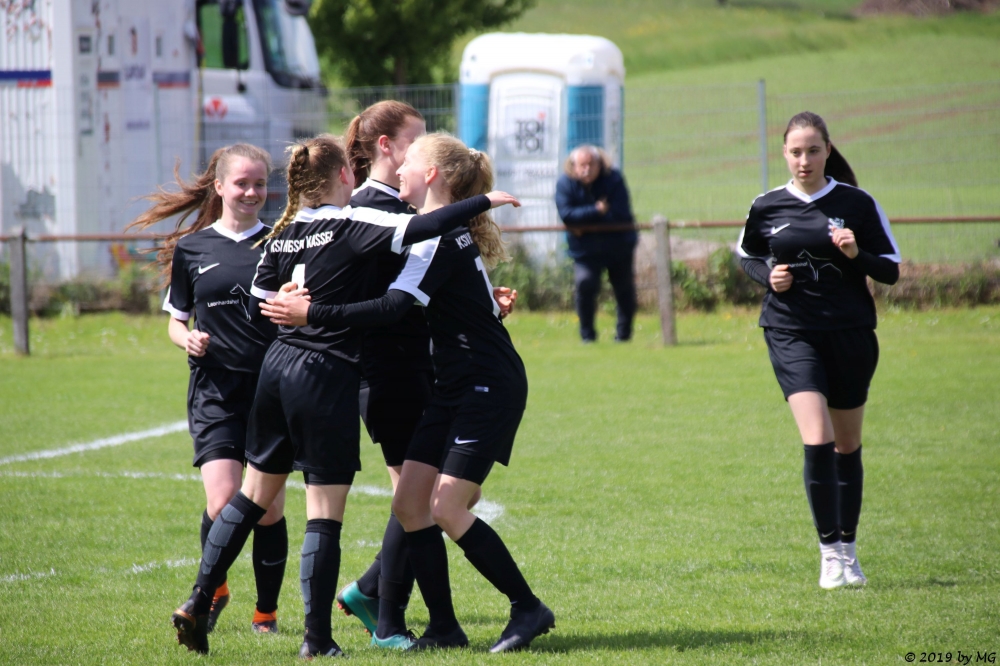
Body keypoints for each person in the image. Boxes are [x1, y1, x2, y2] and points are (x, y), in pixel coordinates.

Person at [169, 133, 521, 658]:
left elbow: (258, 304)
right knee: (323, 511)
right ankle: (317, 639)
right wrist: (484, 200)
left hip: (276, 369)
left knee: (251, 495)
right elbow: (423, 227)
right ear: (345, 176)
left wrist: (290, 299)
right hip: (325, 374)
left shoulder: (283, 232)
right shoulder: (354, 221)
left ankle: (198, 599)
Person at [261, 133, 554, 653]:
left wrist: (312, 313)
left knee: (448, 507)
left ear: (432, 175)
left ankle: (527, 608)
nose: (398, 169)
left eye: (409, 162)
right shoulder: (437, 232)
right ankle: (444, 627)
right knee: (410, 503)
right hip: (453, 383)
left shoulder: (435, 238)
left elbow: (392, 308)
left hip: (487, 383)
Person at [335, 100, 516, 647]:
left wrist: (478, 304)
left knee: (428, 502)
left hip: (436, 369)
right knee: (418, 500)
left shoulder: (418, 215)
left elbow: (417, 287)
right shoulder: (369, 208)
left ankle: (392, 603)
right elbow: (392, 297)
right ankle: (390, 615)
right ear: (385, 147)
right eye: (410, 143)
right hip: (391, 371)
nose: (410, 159)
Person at [736, 111, 901, 589]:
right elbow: (747, 254)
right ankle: (829, 555)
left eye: (812, 150)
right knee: (818, 438)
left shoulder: (857, 203)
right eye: (795, 152)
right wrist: (769, 276)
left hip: (850, 333)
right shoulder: (766, 204)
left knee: (847, 446)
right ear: (784, 154)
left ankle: (849, 552)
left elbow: (890, 270)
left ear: (828, 150)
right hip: (790, 332)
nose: (804, 160)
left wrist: (855, 254)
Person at [128, 144, 288, 636]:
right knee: (222, 503)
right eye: (242, 183)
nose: (252, 192)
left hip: (271, 392)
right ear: (219, 187)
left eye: (260, 184)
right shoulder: (193, 248)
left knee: (269, 510)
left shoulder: (280, 243)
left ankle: (266, 613)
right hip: (215, 391)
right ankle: (215, 587)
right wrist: (188, 339)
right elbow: (176, 321)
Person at [555, 145, 638, 342]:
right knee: (585, 284)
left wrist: (583, 224)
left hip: (618, 246)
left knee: (624, 289)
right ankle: (587, 337)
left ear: (599, 164)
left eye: (591, 164)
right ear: (573, 166)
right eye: (582, 165)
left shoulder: (614, 179)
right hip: (585, 250)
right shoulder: (565, 183)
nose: (587, 169)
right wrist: (597, 210)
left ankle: (624, 336)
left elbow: (620, 215)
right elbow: (567, 215)